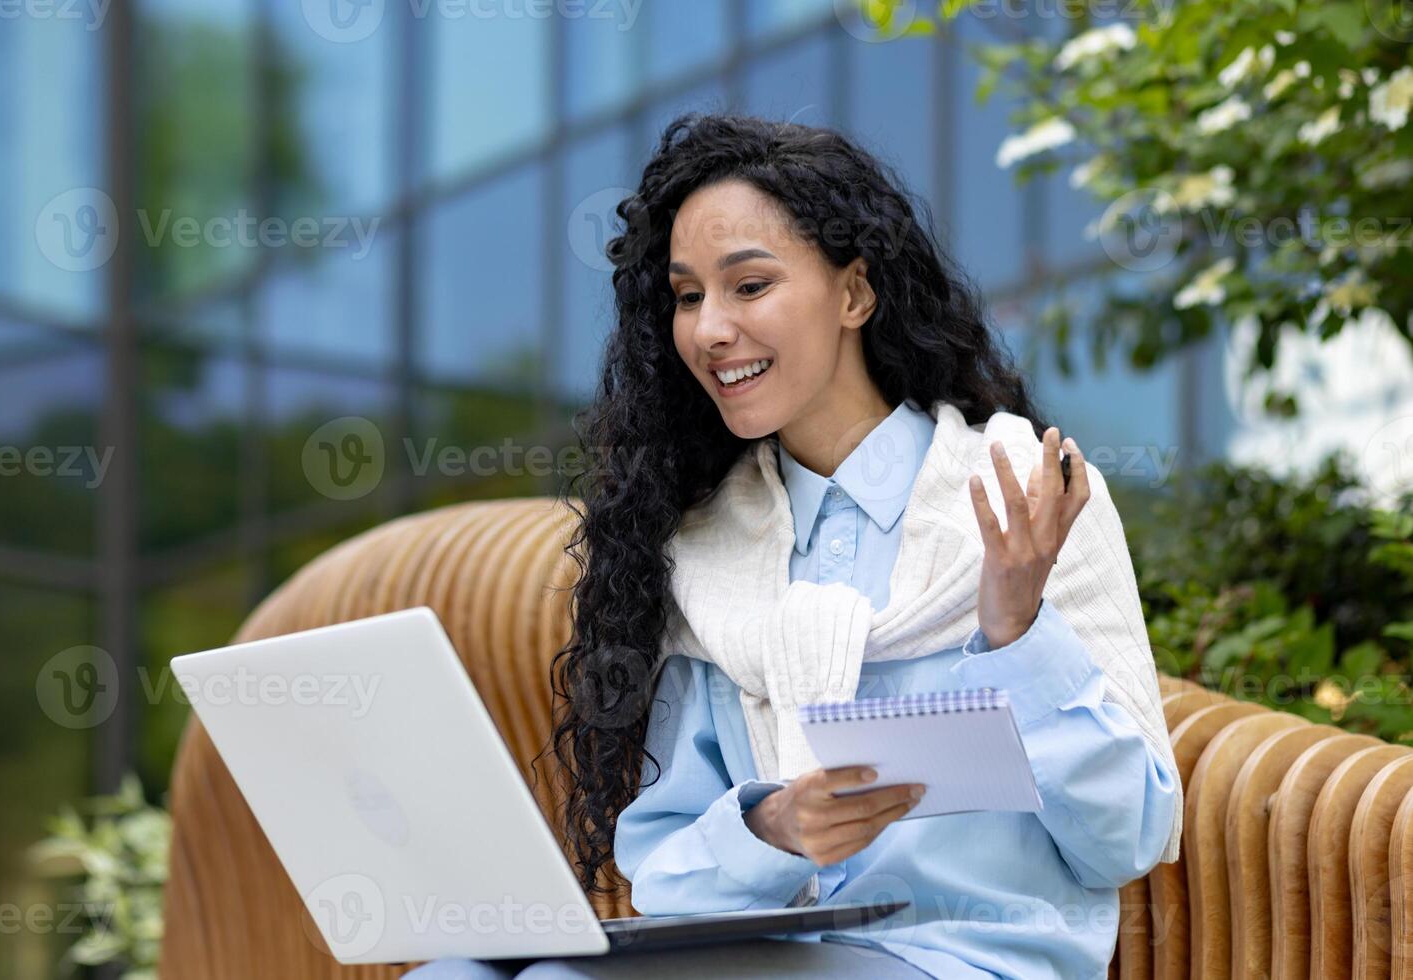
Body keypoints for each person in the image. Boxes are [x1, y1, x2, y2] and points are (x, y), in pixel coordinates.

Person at [404, 112, 1181, 979]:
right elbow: (665, 870)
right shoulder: (707, 551)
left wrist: (1018, 631)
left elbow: (1129, 835)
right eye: (688, 295)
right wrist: (771, 829)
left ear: (854, 293)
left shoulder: (1025, 492)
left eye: (748, 285)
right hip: (775, 957)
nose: (709, 330)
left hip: (965, 961)